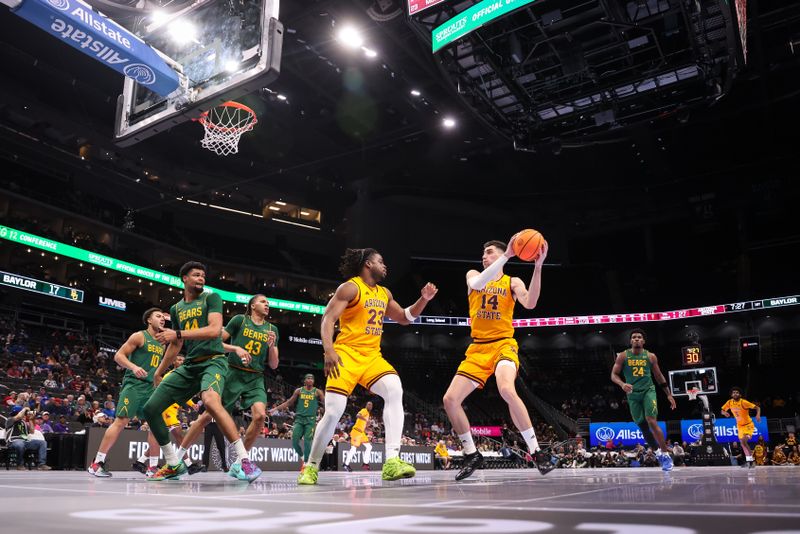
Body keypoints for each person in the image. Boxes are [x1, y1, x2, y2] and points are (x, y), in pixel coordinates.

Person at [297, 248, 437, 485]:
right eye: (380, 261)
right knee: (333, 413)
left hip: (372, 357)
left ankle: (392, 461)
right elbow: (328, 319)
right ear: (368, 264)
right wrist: (329, 350)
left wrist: (423, 299)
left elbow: (404, 317)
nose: (385, 266)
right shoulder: (350, 288)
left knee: (395, 389)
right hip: (346, 355)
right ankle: (311, 466)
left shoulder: (384, 293)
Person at [442, 235, 550, 481]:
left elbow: (530, 303)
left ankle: (536, 452)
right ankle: (472, 454)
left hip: (503, 344)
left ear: (503, 254)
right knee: (449, 400)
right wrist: (507, 255)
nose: (484, 256)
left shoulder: (512, 281)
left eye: (489, 252)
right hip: (478, 348)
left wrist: (538, 266)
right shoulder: (473, 275)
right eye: (483, 253)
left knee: (506, 390)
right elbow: (479, 283)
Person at [142, 261, 260, 482]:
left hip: (214, 361)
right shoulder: (176, 308)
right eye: (196, 275)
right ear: (184, 278)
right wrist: (159, 371)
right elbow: (176, 345)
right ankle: (173, 463)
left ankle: (244, 461)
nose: (201, 278)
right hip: (190, 366)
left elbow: (214, 330)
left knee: (211, 401)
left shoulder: (211, 298)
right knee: (150, 409)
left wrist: (177, 333)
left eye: (203, 276)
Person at [168, 294, 279, 476]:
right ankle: (177, 460)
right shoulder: (239, 321)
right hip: (233, 372)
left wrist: (272, 346)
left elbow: (274, 364)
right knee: (206, 417)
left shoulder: (272, 329)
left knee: (260, 416)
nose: (267, 304)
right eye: (263, 302)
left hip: (256, 377)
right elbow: (216, 342)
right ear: (252, 306)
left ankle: (238, 464)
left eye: (268, 302)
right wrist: (236, 349)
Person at [87, 308, 165, 478]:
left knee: (156, 426)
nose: (162, 319)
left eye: (163, 317)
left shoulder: (162, 342)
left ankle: (152, 467)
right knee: (121, 421)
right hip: (134, 385)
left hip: (150, 388)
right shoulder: (139, 336)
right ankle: (96, 463)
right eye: (158, 316)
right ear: (149, 320)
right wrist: (134, 367)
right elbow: (119, 356)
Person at [610, 329, 676, 471]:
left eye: (639, 337)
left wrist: (668, 394)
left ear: (643, 341)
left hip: (648, 391)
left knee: (651, 420)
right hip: (632, 394)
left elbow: (659, 376)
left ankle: (666, 455)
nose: (636, 339)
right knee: (643, 426)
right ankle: (658, 453)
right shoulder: (623, 356)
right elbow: (613, 375)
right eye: (634, 337)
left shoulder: (650, 356)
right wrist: (622, 384)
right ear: (630, 341)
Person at [270, 373, 324, 469]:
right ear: (304, 381)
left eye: (312, 378)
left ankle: (306, 464)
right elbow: (289, 402)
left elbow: (325, 404)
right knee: (294, 442)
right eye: (308, 378)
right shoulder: (299, 391)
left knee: (307, 442)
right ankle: (303, 457)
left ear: (314, 381)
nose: (310, 380)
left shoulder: (318, 392)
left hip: (310, 420)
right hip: (299, 419)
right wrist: (275, 409)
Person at [721, 386, 761, 468]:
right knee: (742, 444)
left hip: (748, 425)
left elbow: (758, 408)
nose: (735, 394)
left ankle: (751, 461)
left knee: (743, 441)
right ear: (731, 395)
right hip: (740, 426)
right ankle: (750, 461)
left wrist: (758, 415)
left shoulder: (743, 402)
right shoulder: (729, 402)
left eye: (737, 392)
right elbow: (722, 410)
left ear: (740, 395)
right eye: (733, 392)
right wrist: (724, 413)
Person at [5, 406, 50, 470]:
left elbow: (32, 431)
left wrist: (30, 420)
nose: (24, 415)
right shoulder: (10, 420)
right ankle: (20, 464)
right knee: (20, 444)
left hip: (25, 441)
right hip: (13, 441)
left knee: (42, 443)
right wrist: (25, 408)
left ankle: (41, 464)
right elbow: (18, 417)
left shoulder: (23, 422)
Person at [342, 401, 373, 471]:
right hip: (356, 432)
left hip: (361, 433)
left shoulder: (368, 414)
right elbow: (358, 415)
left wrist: (367, 428)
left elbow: (363, 424)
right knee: (353, 449)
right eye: (369, 404)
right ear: (366, 405)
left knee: (369, 447)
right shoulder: (364, 410)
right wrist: (366, 420)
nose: (370, 406)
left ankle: (365, 463)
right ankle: (346, 464)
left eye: (371, 405)